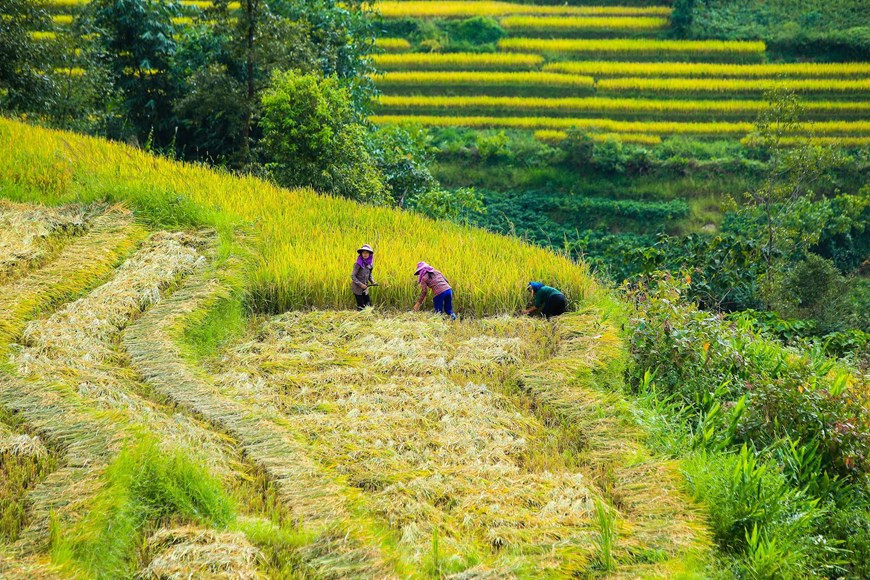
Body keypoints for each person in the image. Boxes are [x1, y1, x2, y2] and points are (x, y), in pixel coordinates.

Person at [351, 244, 376, 310]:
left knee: (368, 304)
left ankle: (367, 315)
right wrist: (361, 285)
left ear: (369, 254)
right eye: (363, 253)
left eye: (367, 253)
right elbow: (353, 276)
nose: (365, 254)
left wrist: (372, 281)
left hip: (365, 287)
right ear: (361, 254)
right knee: (361, 306)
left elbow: (369, 275)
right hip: (357, 288)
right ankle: (360, 315)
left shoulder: (370, 264)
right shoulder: (358, 264)